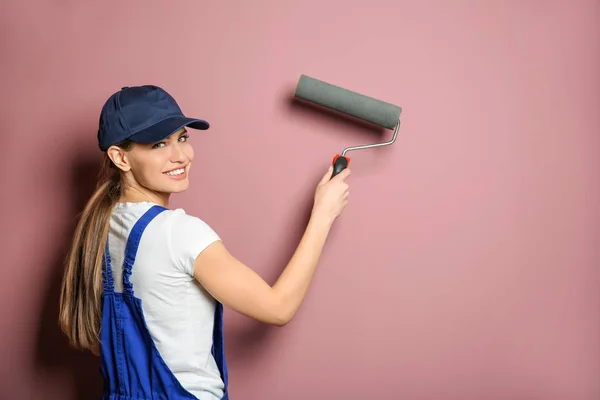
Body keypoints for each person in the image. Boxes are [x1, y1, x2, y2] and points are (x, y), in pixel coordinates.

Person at [58, 85, 351, 400]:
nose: (181, 156)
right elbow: (278, 308)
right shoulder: (178, 233)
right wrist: (322, 215)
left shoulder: (102, 226)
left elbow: (99, 343)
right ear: (120, 157)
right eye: (159, 144)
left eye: (182, 138)